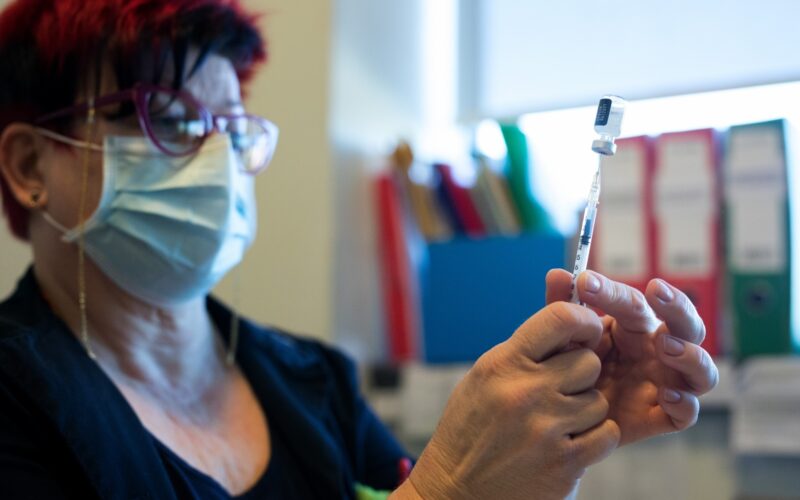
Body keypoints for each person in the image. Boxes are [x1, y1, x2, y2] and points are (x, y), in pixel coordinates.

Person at [0, 0, 718, 499]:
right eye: (167, 117)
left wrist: (545, 449)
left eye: (233, 128)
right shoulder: (17, 400)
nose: (215, 160)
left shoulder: (317, 382)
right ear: (31, 165)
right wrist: (446, 490)